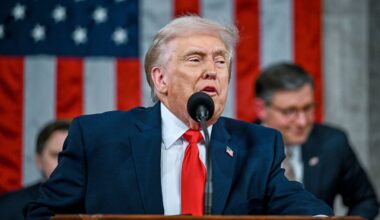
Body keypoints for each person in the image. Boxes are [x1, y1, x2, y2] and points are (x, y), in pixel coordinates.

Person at [25, 16, 333, 219]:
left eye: (221, 60)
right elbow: (44, 213)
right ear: (160, 80)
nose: (212, 70)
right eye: (195, 59)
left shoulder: (258, 144)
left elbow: (293, 202)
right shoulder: (98, 137)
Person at [254, 62, 379, 220]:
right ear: (261, 109)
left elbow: (365, 201)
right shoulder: (239, 146)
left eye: (308, 108)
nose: (302, 121)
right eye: (290, 111)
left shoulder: (332, 142)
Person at [0, 120, 70, 220]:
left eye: (72, 156)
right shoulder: (7, 208)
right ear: (39, 160)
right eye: (55, 155)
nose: (64, 163)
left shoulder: (98, 206)